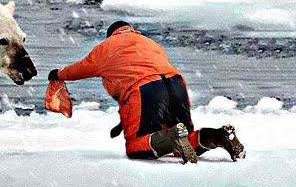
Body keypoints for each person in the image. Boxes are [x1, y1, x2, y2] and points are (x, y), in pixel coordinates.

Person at [48, 21, 246, 163]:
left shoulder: (106, 47)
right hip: (176, 85)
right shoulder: (150, 43)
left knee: (136, 147)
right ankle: (218, 136)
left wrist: (58, 74)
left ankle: (171, 138)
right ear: (130, 30)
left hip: (145, 90)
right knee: (186, 139)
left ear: (111, 34)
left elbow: (83, 67)